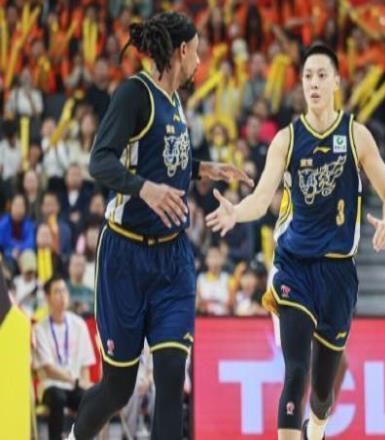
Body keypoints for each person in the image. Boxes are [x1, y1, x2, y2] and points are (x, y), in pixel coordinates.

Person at [69, 12, 252, 440]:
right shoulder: (134, 94)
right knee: (118, 387)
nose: (200, 62)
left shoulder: (174, 102)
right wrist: (144, 189)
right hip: (125, 255)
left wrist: (204, 168)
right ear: (182, 51)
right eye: (197, 53)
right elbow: (100, 161)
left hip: (172, 257)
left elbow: (165, 161)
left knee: (172, 374)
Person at [206, 42, 385, 440]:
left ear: (336, 82)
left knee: (323, 392)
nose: (313, 83)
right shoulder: (287, 139)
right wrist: (236, 211)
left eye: (321, 75)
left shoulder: (356, 135)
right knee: (296, 370)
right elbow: (261, 197)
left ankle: (317, 427)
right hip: (293, 266)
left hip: (338, 273)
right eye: (308, 76)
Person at [32, 276, 95, 440]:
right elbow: (49, 370)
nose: (62, 295)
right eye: (57, 292)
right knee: (58, 397)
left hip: (74, 386)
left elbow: (85, 365)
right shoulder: (40, 329)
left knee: (88, 398)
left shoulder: (79, 324)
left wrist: (85, 387)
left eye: (64, 291)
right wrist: (75, 381)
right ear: (47, 298)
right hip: (50, 386)